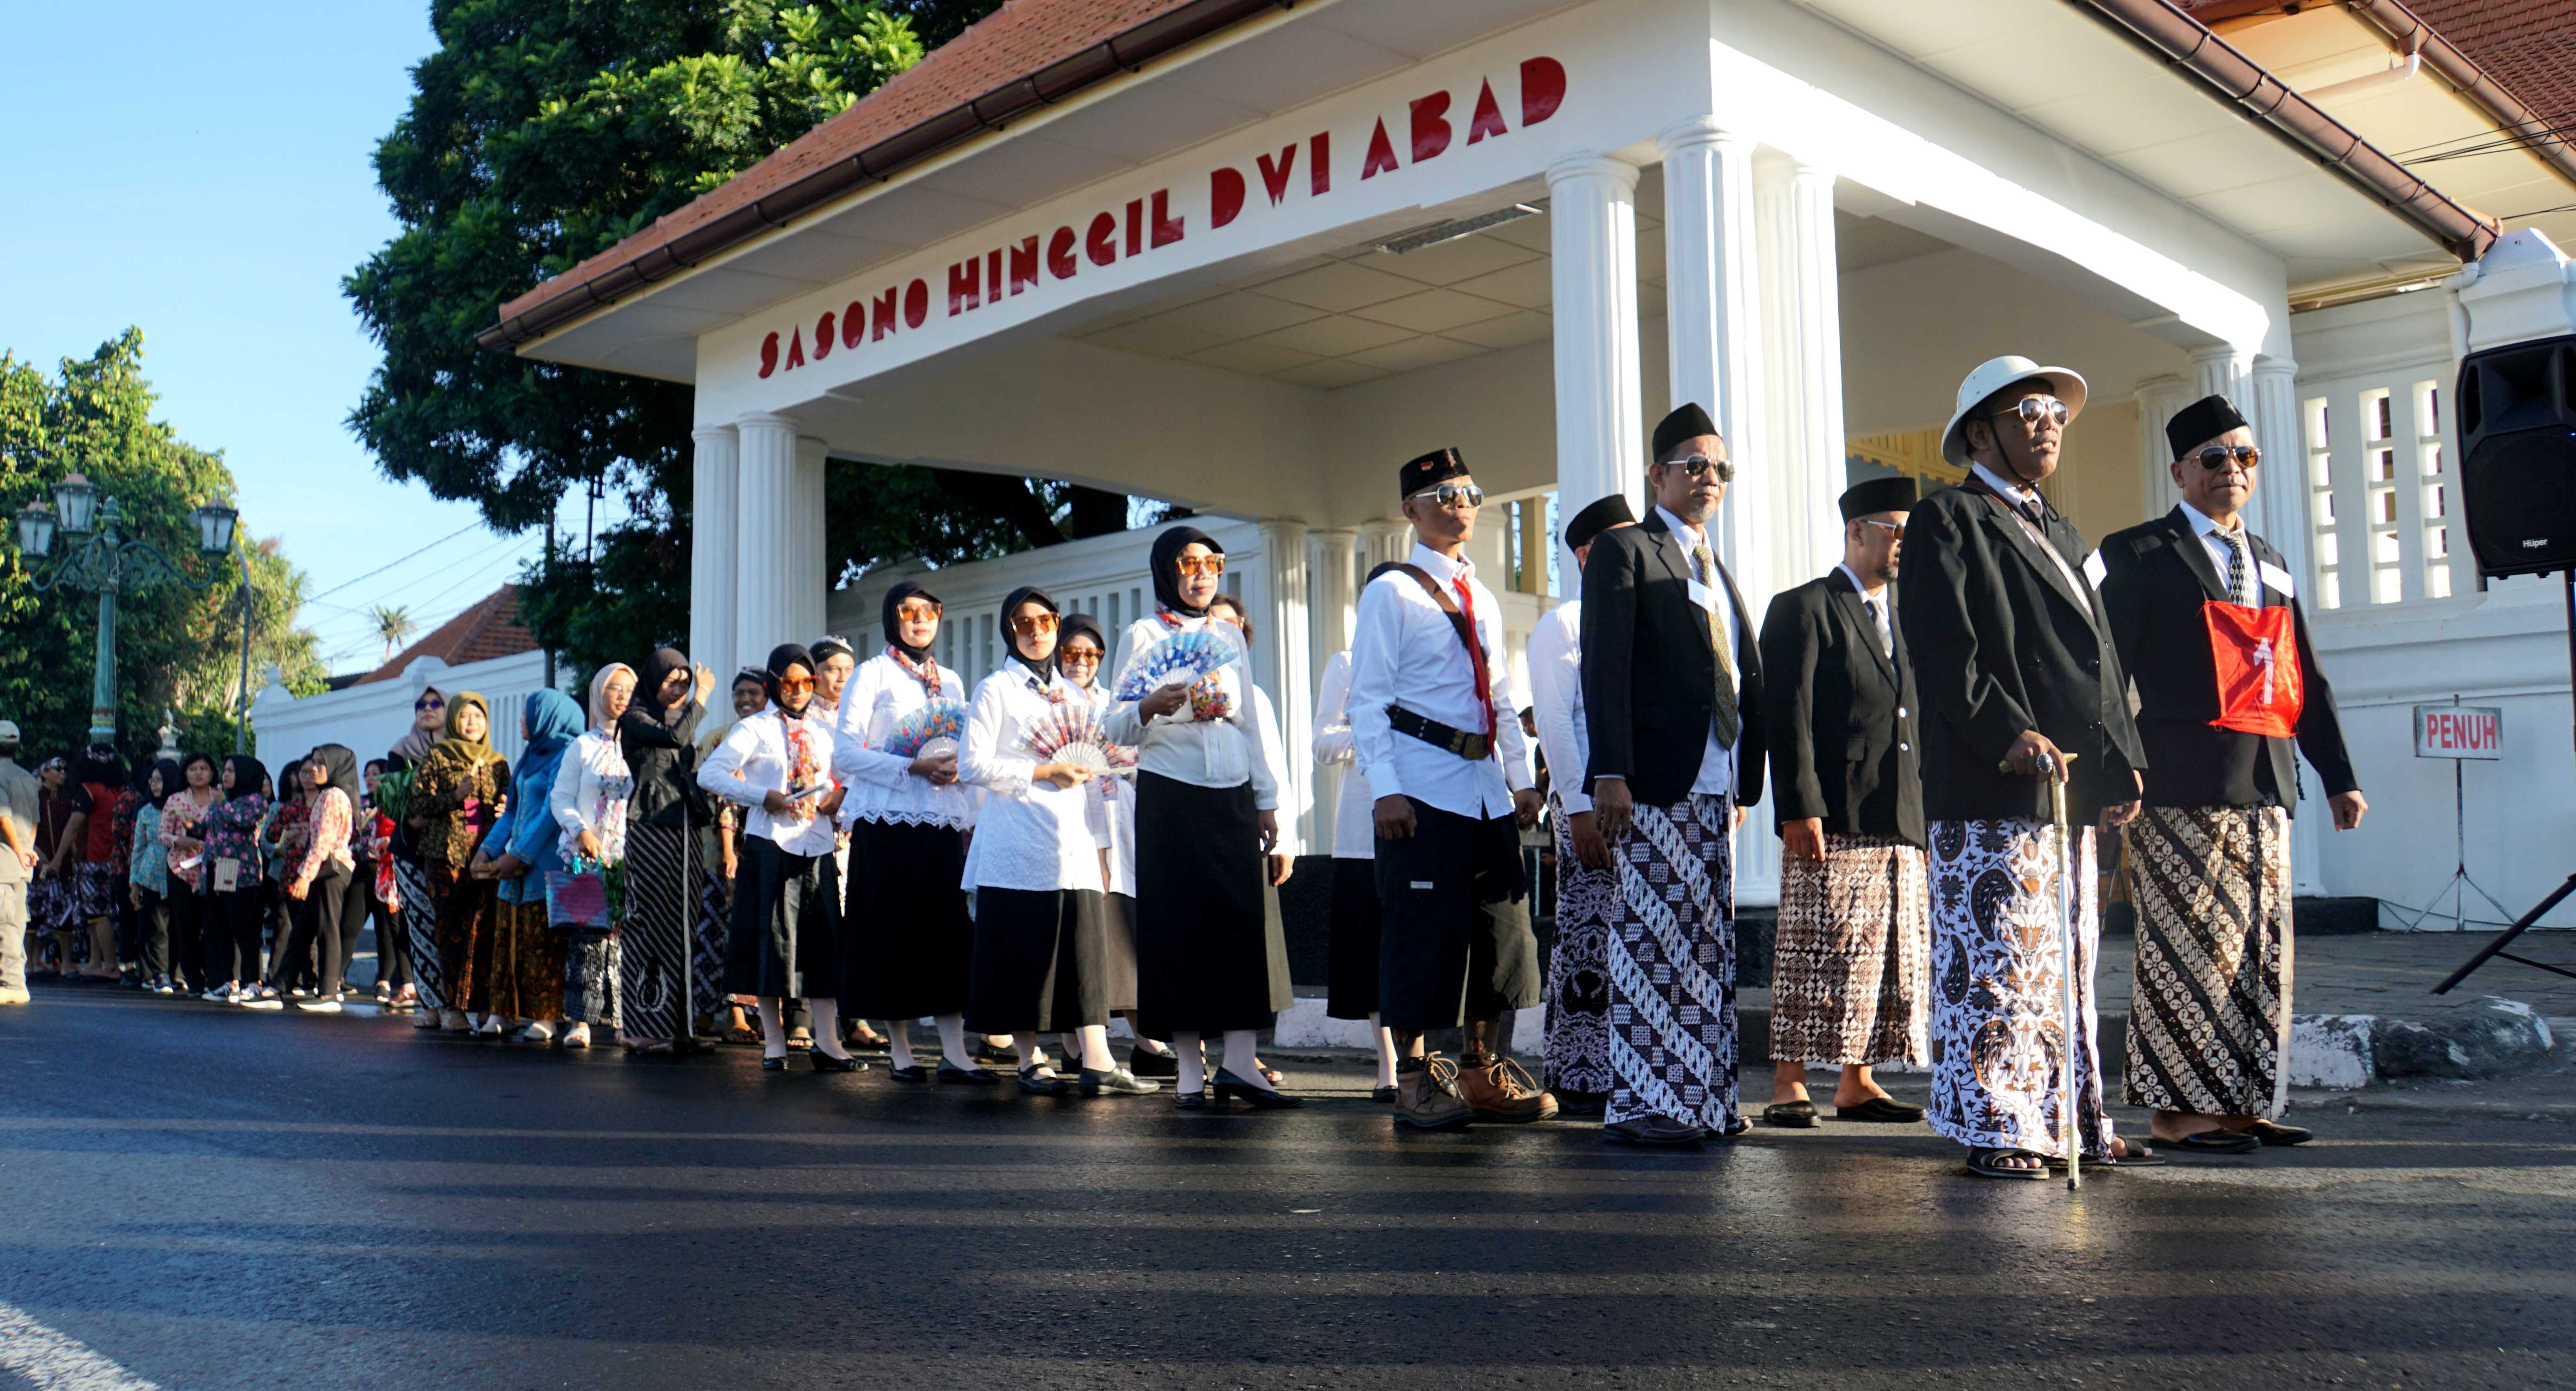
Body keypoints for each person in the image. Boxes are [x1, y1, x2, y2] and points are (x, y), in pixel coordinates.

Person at [1900, 354, 2154, 1178]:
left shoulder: (2062, 529)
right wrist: (2002, 730)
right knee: (1998, 961)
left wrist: (2120, 763)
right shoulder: (1949, 518)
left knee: (2067, 962)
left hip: (2069, 787)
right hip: (1992, 784)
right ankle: (1998, 1121)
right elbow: (1943, 646)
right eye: (2024, 411)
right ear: (1980, 431)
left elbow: (2101, 657)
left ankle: (2069, 1116)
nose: (2045, 423)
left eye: (2052, 410)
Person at [2099, 394, 2367, 1155]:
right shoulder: (2139, 552)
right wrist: (2118, 766)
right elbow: (2105, 667)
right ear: (2179, 469)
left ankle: (2242, 1101)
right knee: (2188, 948)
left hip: (2262, 779)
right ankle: (2176, 1112)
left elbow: (2300, 675)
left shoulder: (2270, 562)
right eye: (2213, 458)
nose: (2230, 470)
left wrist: (2336, 774)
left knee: (2255, 948)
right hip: (2178, 782)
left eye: (2243, 456)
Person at [1580, 404, 1768, 1146]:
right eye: (1693, 465)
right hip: (1652, 779)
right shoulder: (1628, 548)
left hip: (1713, 784)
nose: (1708, 478)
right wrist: (1611, 772)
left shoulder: (1712, 565)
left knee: (1704, 943)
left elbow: (1734, 670)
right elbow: (1606, 667)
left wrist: (1741, 782)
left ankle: (1703, 1097)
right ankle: (1646, 1102)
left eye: (1719, 467)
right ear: (1656, 475)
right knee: (1651, 941)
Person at [1349, 448, 1552, 1130]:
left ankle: (1479, 1070)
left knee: (1501, 935)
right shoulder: (1392, 592)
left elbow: (1498, 694)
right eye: (1441, 494)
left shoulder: (1483, 595)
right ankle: (1412, 1079)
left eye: (1467, 492)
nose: (1458, 504)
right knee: (1421, 937)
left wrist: (1521, 778)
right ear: (1410, 510)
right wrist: (1386, 789)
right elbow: (1369, 700)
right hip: (1422, 787)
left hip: (1484, 787)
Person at [1758, 477, 1931, 1126]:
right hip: (1832, 812)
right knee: (1815, 946)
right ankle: (1787, 1082)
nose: (1900, 545)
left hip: (1898, 809)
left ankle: (1857, 1082)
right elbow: (1788, 714)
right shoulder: (1804, 606)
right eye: (1892, 530)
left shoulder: (1906, 614)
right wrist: (1799, 804)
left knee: (1884, 954)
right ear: (1855, 531)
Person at [1107, 531, 1286, 1110]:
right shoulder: (1143, 634)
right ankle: (1188, 1068)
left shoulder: (1228, 634)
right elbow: (1112, 726)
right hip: (1172, 794)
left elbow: (1252, 724)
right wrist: (1146, 706)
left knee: (1238, 926)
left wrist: (1266, 798)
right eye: (1188, 564)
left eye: (1212, 563)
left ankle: (1239, 1063)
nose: (1201, 574)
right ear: (1166, 571)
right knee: (1178, 929)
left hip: (1230, 791)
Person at [968, 588, 1152, 1098]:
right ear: (1009, 629)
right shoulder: (995, 690)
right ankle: (1030, 1059)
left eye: (1045, 621)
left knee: (1085, 952)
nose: (1036, 631)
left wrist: (1102, 848)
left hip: (1073, 845)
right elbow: (972, 765)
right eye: (1023, 622)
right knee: (1019, 950)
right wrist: (1042, 769)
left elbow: (1095, 766)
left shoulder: (1074, 697)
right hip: (1017, 841)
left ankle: (1097, 1060)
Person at [834, 582, 989, 1082]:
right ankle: (900, 1049)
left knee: (948, 933)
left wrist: (958, 770)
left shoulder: (951, 679)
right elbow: (845, 754)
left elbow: (965, 742)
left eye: (930, 612)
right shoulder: (871, 674)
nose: (920, 620)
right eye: (909, 611)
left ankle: (955, 1051)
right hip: (887, 820)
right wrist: (912, 767)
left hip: (942, 818)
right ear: (892, 618)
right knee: (890, 930)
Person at [698, 643, 862, 1074]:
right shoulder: (755, 728)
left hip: (817, 845)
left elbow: (848, 781)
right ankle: (774, 1044)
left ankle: (827, 1043)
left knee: (823, 944)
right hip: (771, 845)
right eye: (788, 682)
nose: (798, 690)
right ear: (773, 683)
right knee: (771, 945)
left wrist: (838, 800)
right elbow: (709, 773)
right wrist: (760, 796)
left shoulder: (827, 732)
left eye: (806, 682)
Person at [1526, 493, 1635, 1116]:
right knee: (1590, 937)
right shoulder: (1565, 622)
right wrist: (1576, 807)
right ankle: (1579, 1071)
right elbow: (1556, 723)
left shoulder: (1642, 616)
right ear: (1589, 555)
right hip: (1589, 806)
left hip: (1646, 806)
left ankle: (1635, 1066)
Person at [1202, 594, 1299, 1090]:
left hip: (1247, 823)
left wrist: (1287, 837)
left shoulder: (1253, 695)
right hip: (1200, 818)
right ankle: (1198, 1052)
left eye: (1231, 626)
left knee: (1251, 946)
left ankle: (1243, 1056)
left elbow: (1274, 764)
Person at [468, 689, 582, 1044]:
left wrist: (518, 854)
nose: (521, 720)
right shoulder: (531, 755)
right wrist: (486, 850)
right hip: (513, 864)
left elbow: (551, 811)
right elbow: (515, 810)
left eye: (527, 714)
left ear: (547, 717)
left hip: (543, 863)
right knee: (508, 939)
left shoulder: (566, 754)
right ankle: (505, 1012)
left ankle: (546, 1016)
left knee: (541, 943)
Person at [1311, 647, 1400, 1100]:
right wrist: (1372, 733)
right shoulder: (1349, 661)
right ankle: (1389, 1062)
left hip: (1428, 817)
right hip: (1361, 835)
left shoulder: (1432, 658)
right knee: (1370, 950)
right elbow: (1322, 743)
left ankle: (1423, 1057)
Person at [621, 648, 716, 1054]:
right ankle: (641, 1026)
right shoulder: (636, 717)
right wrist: (702, 697)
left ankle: (681, 1028)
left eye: (684, 681)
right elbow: (675, 740)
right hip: (650, 828)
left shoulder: (673, 719)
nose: (678, 689)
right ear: (652, 680)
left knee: (683, 925)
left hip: (684, 828)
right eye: (670, 681)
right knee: (650, 924)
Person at [412, 692, 511, 1034]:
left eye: (479, 717)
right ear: (454, 720)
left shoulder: (497, 761)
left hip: (486, 857)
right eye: (466, 716)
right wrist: (455, 796)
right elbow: (419, 803)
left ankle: (484, 1006)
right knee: (450, 932)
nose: (473, 723)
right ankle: (452, 1007)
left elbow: (512, 804)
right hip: (446, 856)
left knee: (485, 931)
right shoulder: (439, 756)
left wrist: (503, 808)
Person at [554, 668, 636, 1048]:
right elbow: (560, 797)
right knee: (586, 939)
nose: (622, 696)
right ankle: (581, 1022)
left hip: (631, 857)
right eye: (613, 688)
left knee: (626, 940)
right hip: (588, 857)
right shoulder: (582, 746)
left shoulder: (639, 744)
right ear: (597, 693)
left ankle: (625, 1020)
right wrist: (580, 830)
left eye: (630, 689)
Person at [275, 745, 362, 1012]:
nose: (314, 768)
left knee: (327, 928)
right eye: (313, 762)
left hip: (329, 869)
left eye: (321, 763)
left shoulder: (333, 796)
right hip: (323, 868)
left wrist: (304, 876)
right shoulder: (329, 795)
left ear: (336, 766)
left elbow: (323, 842)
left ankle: (328, 993)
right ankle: (280, 985)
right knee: (303, 929)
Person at [200, 755, 273, 1005]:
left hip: (241, 871)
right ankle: (226, 982)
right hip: (216, 867)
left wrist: (222, 805)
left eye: (231, 771)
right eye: (225, 770)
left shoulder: (255, 801)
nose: (226, 776)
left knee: (244, 928)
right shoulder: (224, 800)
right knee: (220, 926)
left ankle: (253, 982)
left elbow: (244, 821)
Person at [156, 751, 221, 997]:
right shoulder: (175, 800)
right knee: (186, 927)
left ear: (212, 773)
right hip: (181, 871)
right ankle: (193, 979)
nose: (199, 773)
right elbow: (162, 834)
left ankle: (216, 977)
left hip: (214, 871)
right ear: (185, 774)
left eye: (203, 768)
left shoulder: (220, 799)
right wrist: (179, 840)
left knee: (213, 925)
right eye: (193, 769)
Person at [358, 759, 414, 1006]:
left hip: (401, 875)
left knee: (401, 930)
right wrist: (381, 844)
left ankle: (410, 985)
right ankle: (408, 985)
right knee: (397, 931)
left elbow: (400, 839)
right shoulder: (380, 806)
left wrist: (387, 844)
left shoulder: (404, 803)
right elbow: (373, 840)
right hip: (387, 876)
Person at [126, 759, 178, 994]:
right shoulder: (146, 811)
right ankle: (160, 974)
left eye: (160, 780)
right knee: (157, 927)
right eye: (152, 781)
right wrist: (134, 883)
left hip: (181, 874)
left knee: (178, 927)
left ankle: (177, 972)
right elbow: (139, 848)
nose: (155, 785)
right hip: (152, 876)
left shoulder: (182, 807)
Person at [0, 723, 35, 1006]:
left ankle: (12, 982)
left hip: (4, 857)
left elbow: (4, 817)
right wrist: (27, 851)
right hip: (22, 862)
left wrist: (16, 848)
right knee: (16, 922)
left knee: (6, 923)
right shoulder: (27, 777)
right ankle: (13, 978)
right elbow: (32, 820)